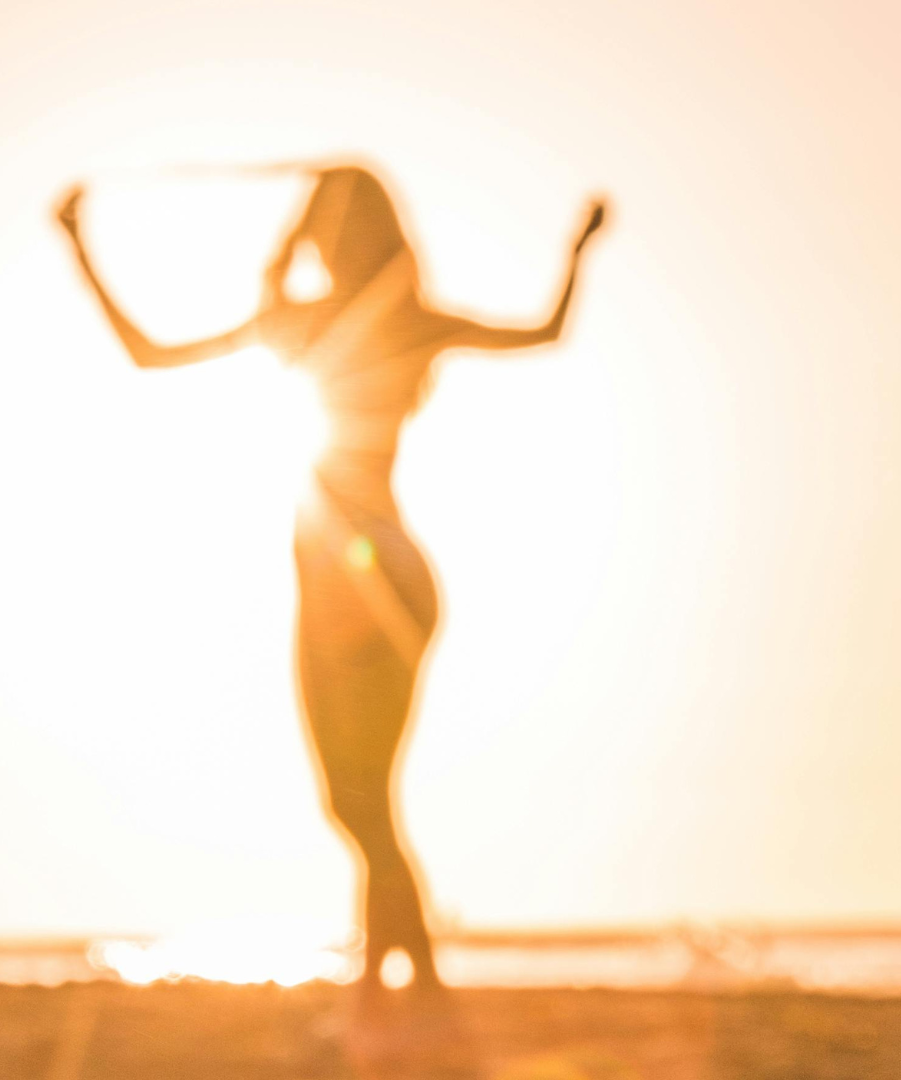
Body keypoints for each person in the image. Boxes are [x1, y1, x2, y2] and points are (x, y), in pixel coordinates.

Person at [55, 164, 605, 994]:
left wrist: (77, 244)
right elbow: (546, 331)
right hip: (399, 569)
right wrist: (578, 249)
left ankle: (412, 981)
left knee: (356, 801)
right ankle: (392, 980)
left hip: (345, 576)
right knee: (364, 797)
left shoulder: (301, 320)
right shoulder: (409, 319)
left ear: (320, 237)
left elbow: (149, 354)